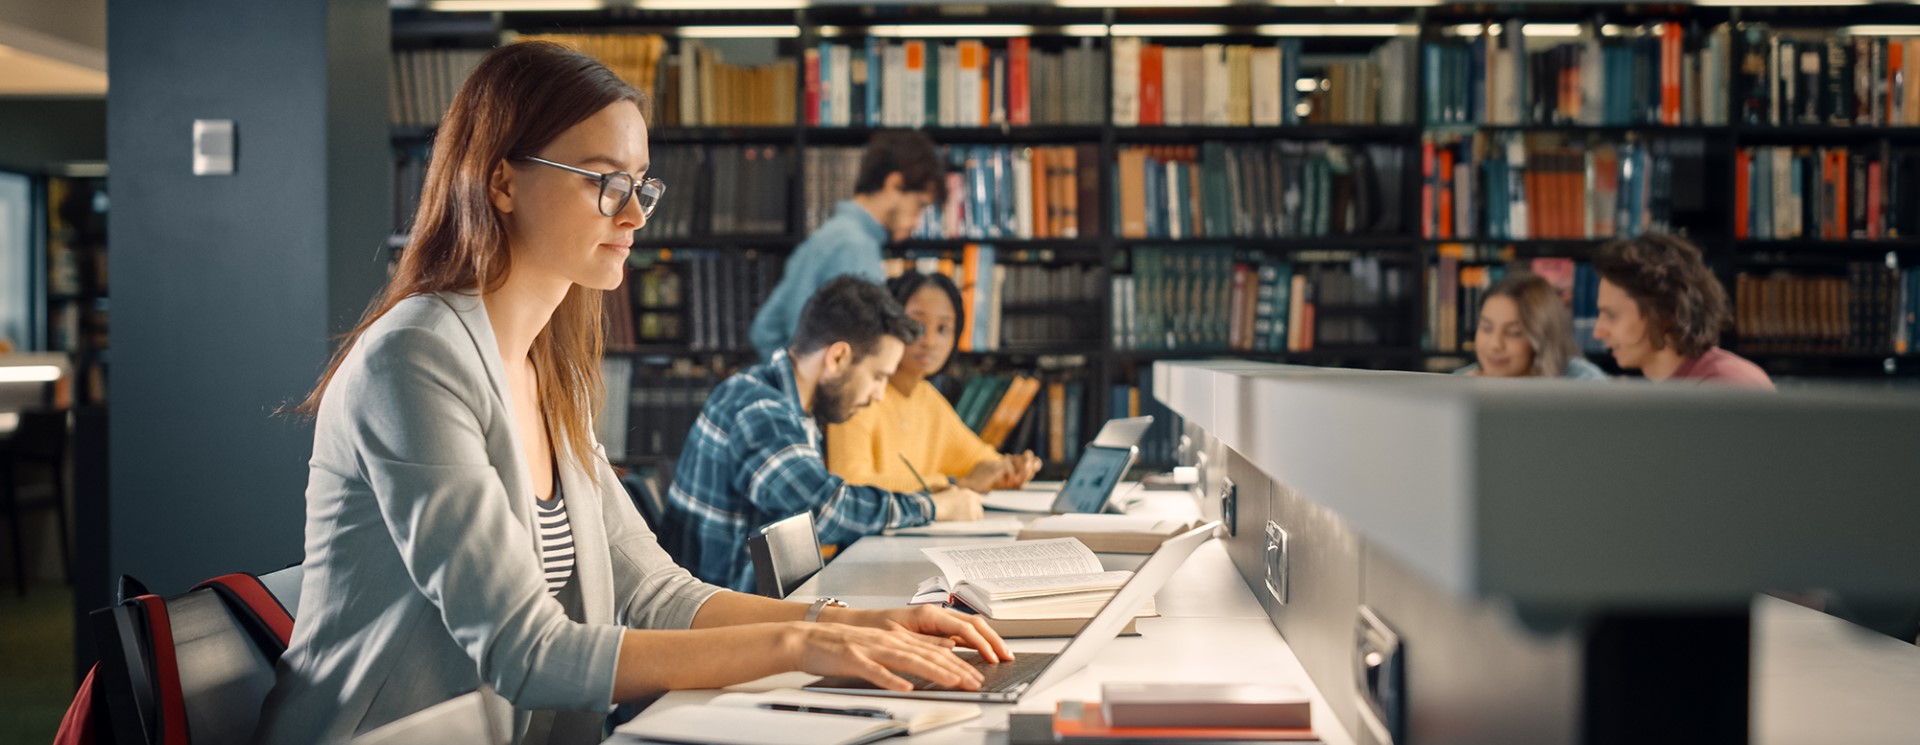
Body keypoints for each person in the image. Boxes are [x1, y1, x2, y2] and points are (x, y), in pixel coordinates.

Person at [258, 42, 1008, 745]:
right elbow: (526, 649)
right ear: (502, 179)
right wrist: (805, 642)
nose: (636, 213)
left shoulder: (547, 367)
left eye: (641, 183)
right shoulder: (414, 358)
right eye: (604, 182)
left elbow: (656, 593)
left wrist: (856, 622)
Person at [666, 275, 986, 593]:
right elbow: (822, 509)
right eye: (877, 376)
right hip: (723, 621)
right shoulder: (758, 408)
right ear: (837, 358)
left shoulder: (790, 405)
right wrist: (933, 507)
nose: (878, 394)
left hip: (760, 608)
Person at [827, 271, 1042, 493]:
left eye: (943, 329)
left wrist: (1010, 468)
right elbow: (850, 484)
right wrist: (952, 485)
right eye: (917, 325)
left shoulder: (926, 398)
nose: (929, 341)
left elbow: (979, 461)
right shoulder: (859, 394)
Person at [749, 131, 944, 360]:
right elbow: (853, 353)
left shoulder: (838, 235)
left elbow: (766, 330)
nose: (917, 222)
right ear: (894, 184)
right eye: (919, 205)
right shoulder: (854, 246)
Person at [1591, 234, 1775, 390]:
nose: (1597, 332)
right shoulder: (1674, 390)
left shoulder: (1727, 386)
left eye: (1612, 315)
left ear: (1663, 312)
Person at [1454, 272, 1607, 380]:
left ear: (1542, 336)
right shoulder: (1460, 381)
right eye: (1487, 328)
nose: (1495, 344)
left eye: (1513, 333)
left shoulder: (1584, 381)